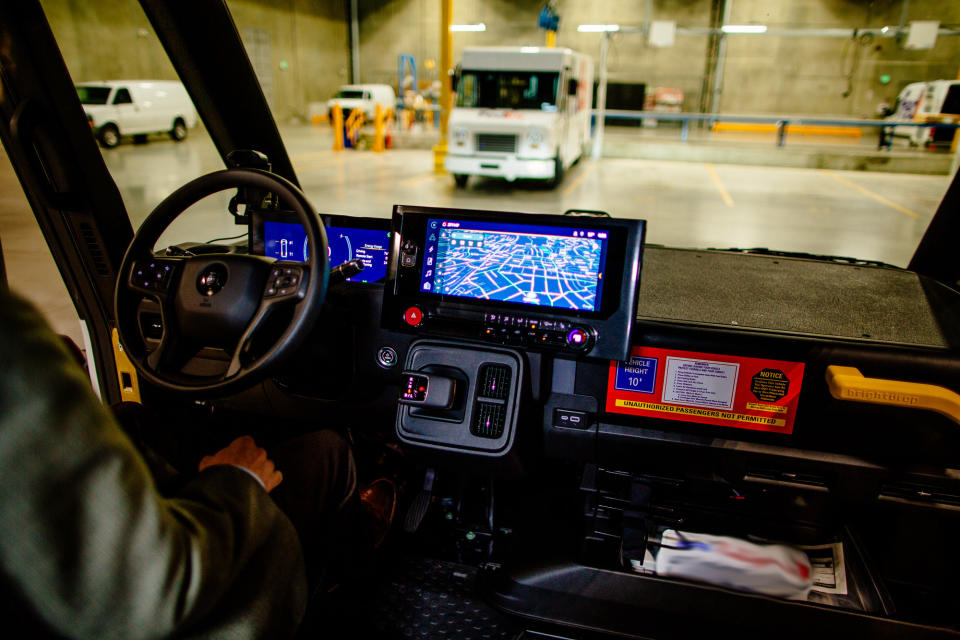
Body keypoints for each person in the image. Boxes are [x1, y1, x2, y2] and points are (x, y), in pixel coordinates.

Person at [0, 289, 378, 639]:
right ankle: (339, 593)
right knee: (330, 451)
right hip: (185, 617)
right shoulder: (10, 339)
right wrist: (237, 478)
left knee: (133, 417)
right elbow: (145, 596)